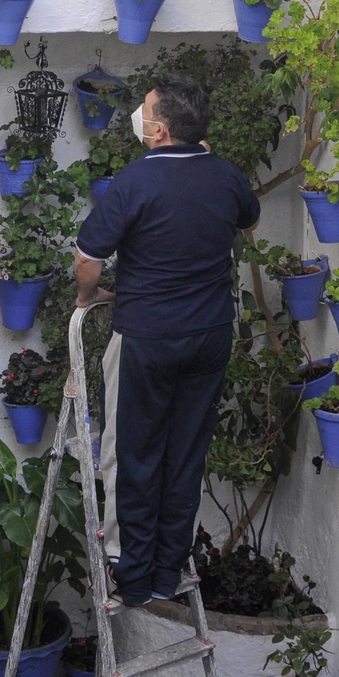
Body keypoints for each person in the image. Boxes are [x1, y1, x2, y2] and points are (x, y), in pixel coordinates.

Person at [73, 75, 259, 608]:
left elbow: (88, 258)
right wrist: (208, 160)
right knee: (184, 454)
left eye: (145, 110)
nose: (140, 114)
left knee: (136, 454)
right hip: (209, 337)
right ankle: (166, 569)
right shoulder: (225, 176)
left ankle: (132, 579)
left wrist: (89, 297)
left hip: (149, 338)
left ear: (159, 128)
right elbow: (248, 216)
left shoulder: (134, 181)